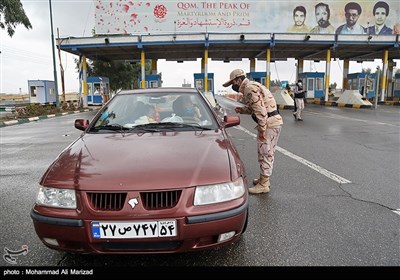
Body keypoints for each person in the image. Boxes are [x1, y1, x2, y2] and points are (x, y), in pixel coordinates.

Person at [223, 69, 283, 194]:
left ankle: (264, 184)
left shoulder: (249, 88)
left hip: (269, 124)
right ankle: (263, 178)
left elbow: (261, 111)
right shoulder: (253, 86)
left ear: (238, 80)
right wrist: (243, 110)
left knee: (265, 152)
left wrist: (262, 129)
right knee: (268, 152)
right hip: (274, 121)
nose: (233, 86)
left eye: (233, 83)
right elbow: (257, 106)